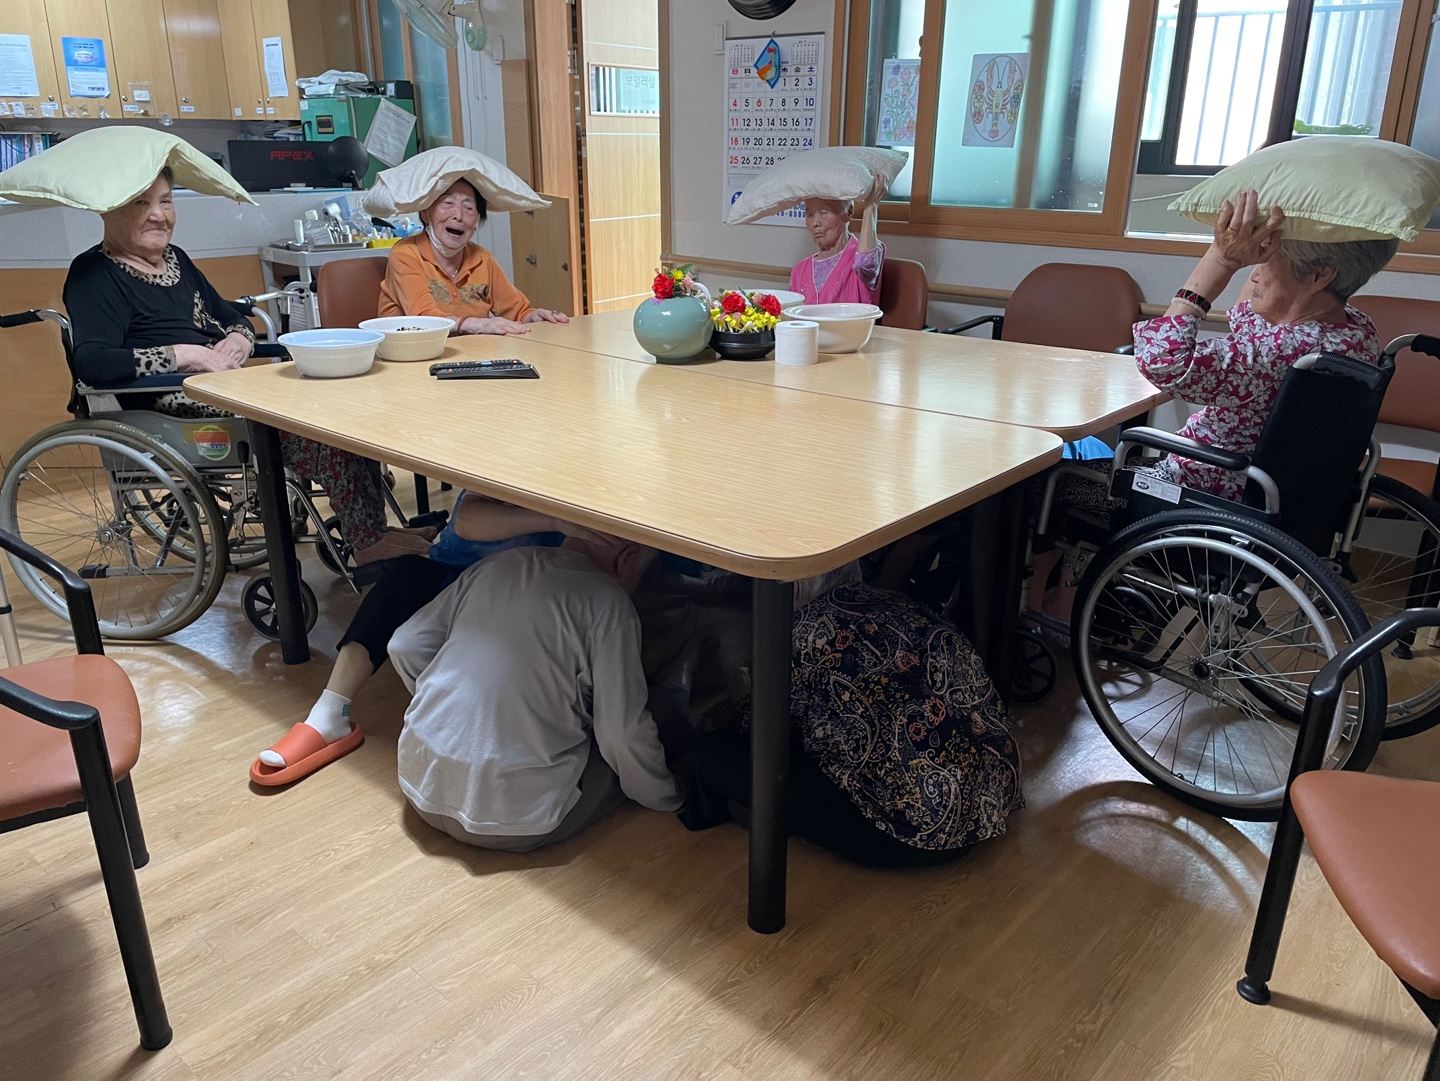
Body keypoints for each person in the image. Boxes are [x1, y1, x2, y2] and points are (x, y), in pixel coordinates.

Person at [63, 169, 430, 566]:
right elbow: (93, 362)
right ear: (106, 210)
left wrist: (240, 338)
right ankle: (368, 542)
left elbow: (231, 316)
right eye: (141, 203)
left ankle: (372, 530)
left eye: (165, 201)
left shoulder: (175, 259)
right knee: (322, 426)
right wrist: (188, 354)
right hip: (174, 400)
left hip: (225, 383)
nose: (159, 215)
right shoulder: (94, 274)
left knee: (347, 404)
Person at [250, 493, 608, 784]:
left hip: (517, 586)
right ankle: (331, 712)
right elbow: (468, 521)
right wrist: (555, 519)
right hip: (456, 571)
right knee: (405, 578)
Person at [681, 582, 1024, 867]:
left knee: (717, 755)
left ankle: (704, 817)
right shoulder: (888, 599)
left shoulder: (803, 636)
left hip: (918, 834)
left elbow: (766, 732)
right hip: (994, 793)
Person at [389, 534, 683, 851]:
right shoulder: (610, 603)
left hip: (420, 785)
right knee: (645, 727)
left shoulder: (499, 564)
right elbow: (621, 734)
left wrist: (456, 717)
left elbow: (404, 646)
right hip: (515, 823)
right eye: (641, 574)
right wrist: (667, 796)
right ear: (626, 558)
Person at [1133, 188, 1396, 500]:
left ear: (1320, 275)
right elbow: (1249, 319)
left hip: (1199, 488)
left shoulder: (1278, 351)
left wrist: (1221, 258)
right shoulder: (1357, 330)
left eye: (1268, 261)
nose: (1255, 274)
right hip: (1274, 496)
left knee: (1078, 478)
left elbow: (1163, 362)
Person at [378, 178, 568, 335]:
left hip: (471, 355)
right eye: (448, 204)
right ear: (426, 212)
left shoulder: (482, 258)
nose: (458, 216)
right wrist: (479, 324)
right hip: (411, 357)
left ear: (476, 220)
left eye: (469, 208)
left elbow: (516, 311)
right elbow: (423, 318)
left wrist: (533, 317)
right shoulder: (405, 253)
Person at [789, 176, 887, 306]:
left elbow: (864, 263)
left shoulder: (866, 254)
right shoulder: (799, 270)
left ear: (849, 212)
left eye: (824, 212)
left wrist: (871, 205)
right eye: (809, 214)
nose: (815, 223)